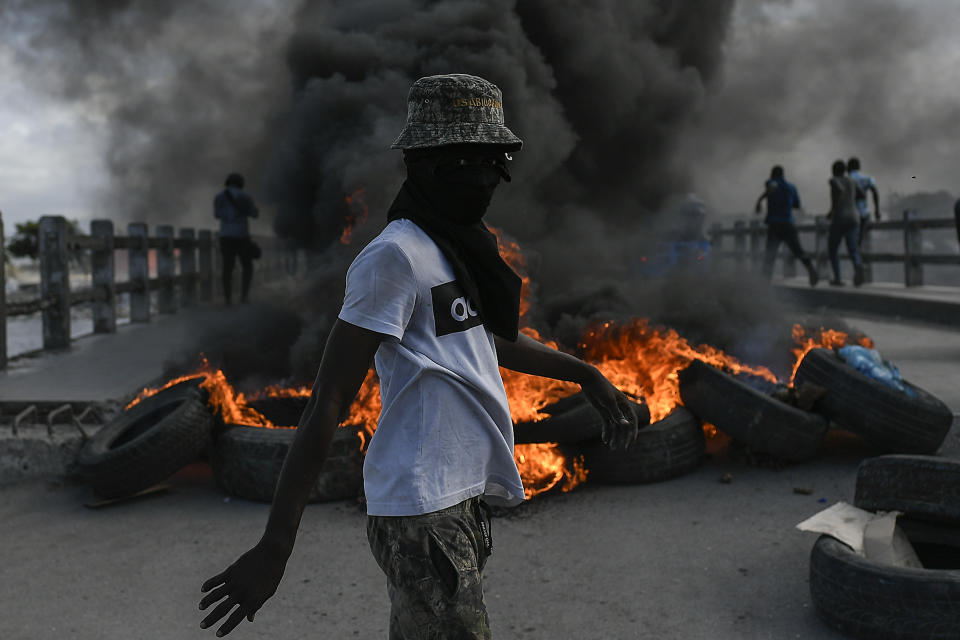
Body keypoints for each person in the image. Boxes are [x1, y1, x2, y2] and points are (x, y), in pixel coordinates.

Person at [198, 73, 639, 639]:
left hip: (459, 498)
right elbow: (329, 400)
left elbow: (488, 340)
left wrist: (587, 374)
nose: (488, 177)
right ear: (426, 164)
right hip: (422, 507)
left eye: (494, 160)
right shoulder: (395, 257)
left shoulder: (454, 246)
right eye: (471, 161)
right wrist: (276, 546)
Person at [753, 165, 819, 285]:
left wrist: (759, 200)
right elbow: (797, 205)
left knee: (770, 256)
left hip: (775, 225)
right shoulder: (791, 187)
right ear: (783, 175)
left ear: (772, 174)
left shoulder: (771, 182)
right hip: (788, 224)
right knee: (798, 251)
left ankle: (764, 283)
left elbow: (772, 187)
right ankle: (810, 268)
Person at [214, 172, 259, 304]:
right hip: (242, 236)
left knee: (227, 268)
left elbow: (216, 215)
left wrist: (228, 216)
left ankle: (228, 299)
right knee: (247, 266)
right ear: (241, 183)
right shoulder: (245, 196)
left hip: (226, 236)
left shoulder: (219, 197)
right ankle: (244, 297)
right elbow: (255, 214)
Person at [827, 160, 866, 287]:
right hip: (854, 217)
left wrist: (832, 210)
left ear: (835, 170)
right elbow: (862, 194)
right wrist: (851, 199)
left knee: (833, 248)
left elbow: (839, 190)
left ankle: (837, 278)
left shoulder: (833, 180)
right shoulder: (852, 180)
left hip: (840, 217)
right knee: (852, 247)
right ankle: (858, 266)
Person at [847, 157, 880, 247]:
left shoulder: (846, 179)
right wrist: (877, 210)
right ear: (859, 167)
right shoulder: (866, 179)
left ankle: (857, 258)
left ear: (848, 168)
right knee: (859, 239)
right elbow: (875, 192)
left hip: (849, 213)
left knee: (851, 239)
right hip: (862, 213)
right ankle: (859, 256)